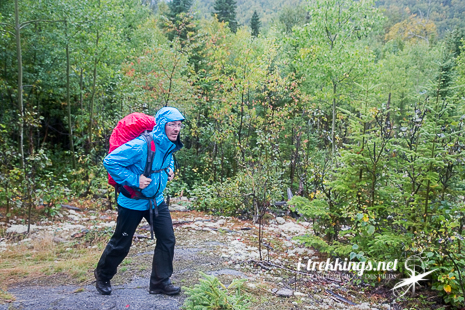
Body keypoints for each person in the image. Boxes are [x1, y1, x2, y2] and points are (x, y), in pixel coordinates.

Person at [94, 107, 185, 296]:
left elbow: (168, 157)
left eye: (179, 125)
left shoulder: (168, 143)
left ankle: (160, 282)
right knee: (122, 242)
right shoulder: (140, 145)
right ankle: (102, 276)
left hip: (156, 201)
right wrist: (135, 180)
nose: (176, 129)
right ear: (161, 126)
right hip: (132, 202)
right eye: (172, 125)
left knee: (167, 239)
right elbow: (110, 161)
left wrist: (170, 168)